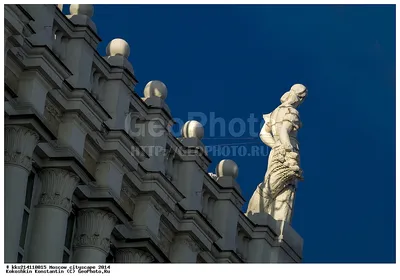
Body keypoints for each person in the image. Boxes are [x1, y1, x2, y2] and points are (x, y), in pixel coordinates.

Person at [246, 84, 307, 223]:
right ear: (300, 98)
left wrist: (276, 146)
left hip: (277, 151)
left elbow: (263, 133)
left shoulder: (275, 112)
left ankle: (259, 214)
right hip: (287, 149)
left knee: (272, 181)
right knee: (286, 186)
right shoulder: (292, 112)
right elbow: (284, 131)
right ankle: (277, 223)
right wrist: (289, 151)